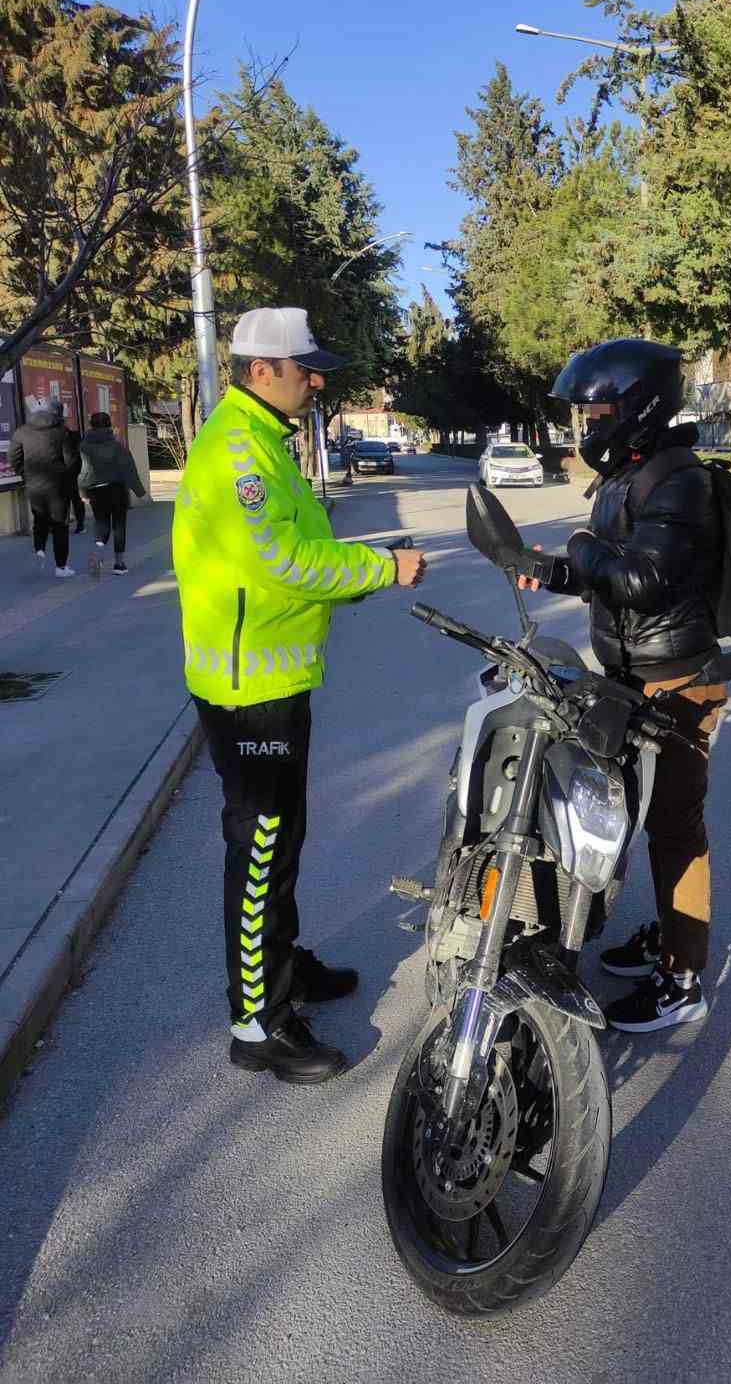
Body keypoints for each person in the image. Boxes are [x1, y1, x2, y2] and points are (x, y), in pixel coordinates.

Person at [173, 307, 427, 1085]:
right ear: (260, 370)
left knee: (281, 843)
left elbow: (297, 550)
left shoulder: (263, 441)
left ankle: (281, 968)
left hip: (268, 678)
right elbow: (286, 560)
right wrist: (383, 571)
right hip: (251, 690)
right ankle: (258, 1021)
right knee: (259, 855)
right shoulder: (241, 452)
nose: (316, 381)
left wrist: (360, 567)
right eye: (303, 368)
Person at [520, 338, 726, 1032]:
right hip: (631, 677)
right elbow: (611, 566)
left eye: (600, 408)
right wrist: (553, 570)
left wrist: (580, 547)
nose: (590, 424)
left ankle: (684, 975)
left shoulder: (680, 480)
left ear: (638, 405)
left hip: (677, 683)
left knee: (674, 828)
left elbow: (640, 577)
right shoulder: (629, 474)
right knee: (624, 815)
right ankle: (668, 934)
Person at [9, 400, 80, 578]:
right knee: (60, 525)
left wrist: (25, 474)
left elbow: (13, 457)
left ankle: (39, 550)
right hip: (58, 486)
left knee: (39, 519)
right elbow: (71, 460)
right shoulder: (61, 432)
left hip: (34, 484)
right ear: (56, 414)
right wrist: (66, 477)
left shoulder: (22, 432)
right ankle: (61, 567)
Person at [78, 412, 146, 575]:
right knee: (119, 525)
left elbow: (82, 471)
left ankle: (98, 550)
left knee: (101, 524)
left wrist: (82, 492)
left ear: (91, 425)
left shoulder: (84, 446)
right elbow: (128, 468)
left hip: (95, 490)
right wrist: (139, 491)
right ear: (109, 426)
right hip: (117, 490)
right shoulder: (117, 445)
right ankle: (119, 564)